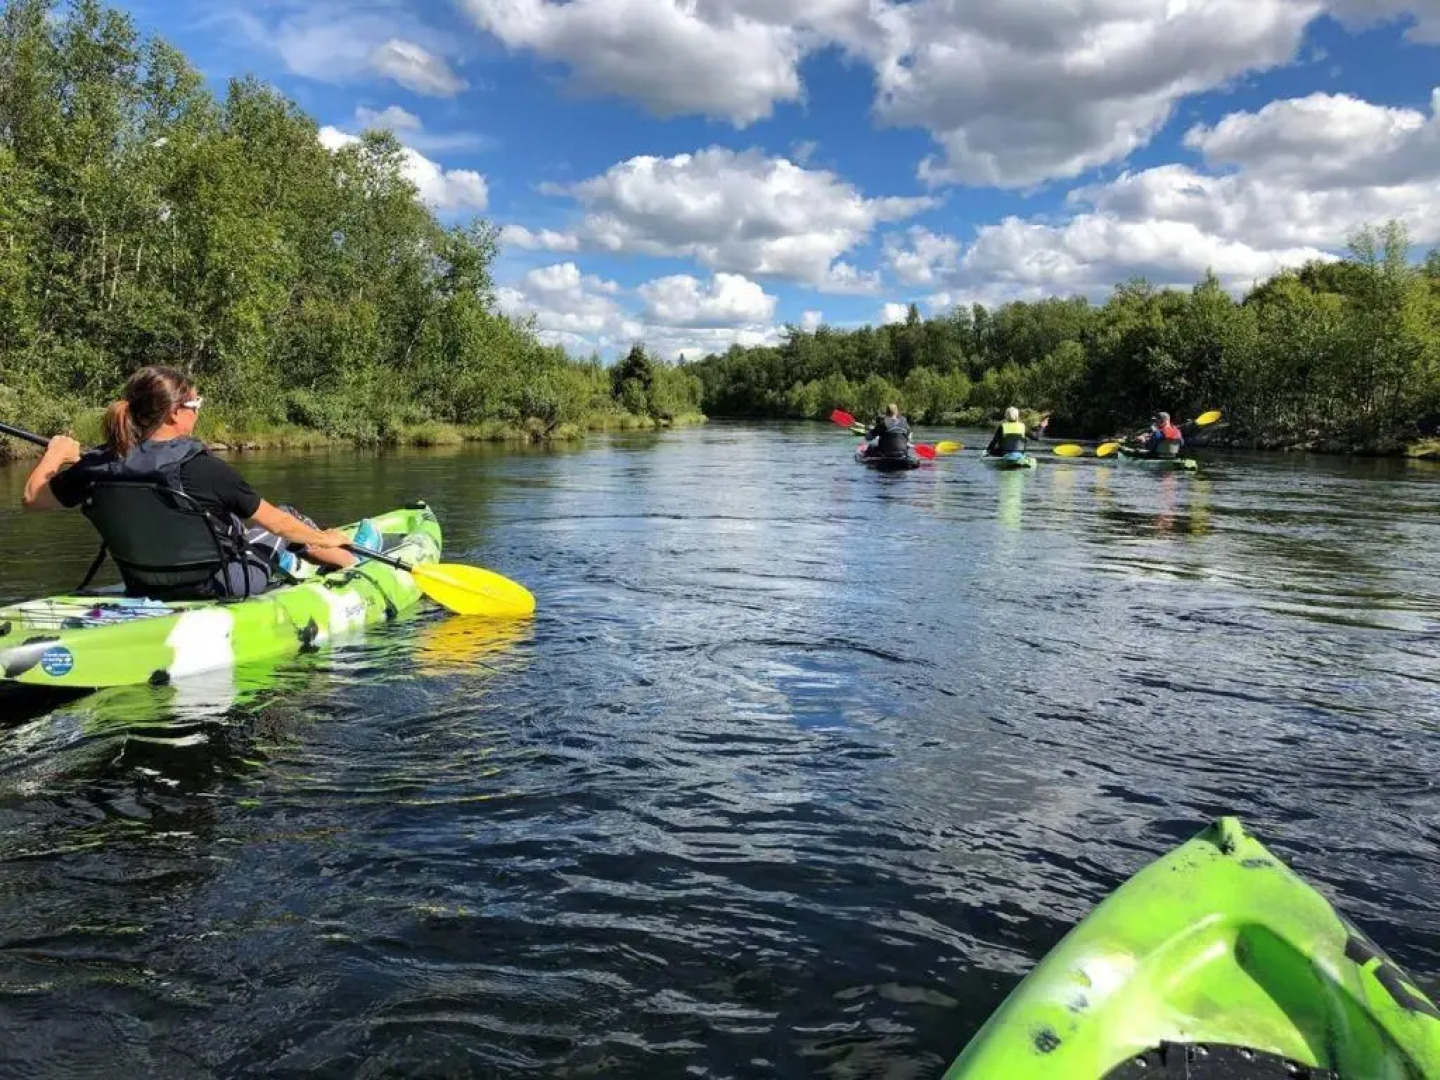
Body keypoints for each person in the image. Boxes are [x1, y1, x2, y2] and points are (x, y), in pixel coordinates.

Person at [21, 365, 380, 600]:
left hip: (145, 585)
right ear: (175, 413)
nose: (198, 412)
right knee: (285, 518)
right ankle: (351, 563)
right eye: (196, 405)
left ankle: (310, 560)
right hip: (220, 586)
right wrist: (325, 536)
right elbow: (278, 523)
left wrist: (55, 454)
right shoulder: (205, 469)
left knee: (257, 528)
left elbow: (33, 499)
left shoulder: (96, 466)